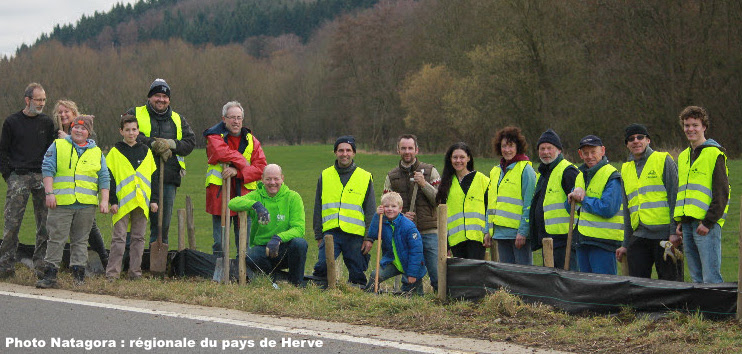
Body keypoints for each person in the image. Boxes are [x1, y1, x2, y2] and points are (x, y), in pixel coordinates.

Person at [36, 115, 109, 288]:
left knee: (81, 241)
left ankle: (78, 276)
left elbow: (104, 177)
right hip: (61, 202)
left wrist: (104, 200)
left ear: (89, 133)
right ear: (71, 129)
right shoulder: (58, 145)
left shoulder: (97, 152)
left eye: (83, 128)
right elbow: (47, 169)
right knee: (56, 239)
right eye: (76, 127)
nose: (79, 130)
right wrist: (49, 193)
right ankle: (50, 274)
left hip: (86, 204)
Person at [126, 78, 196, 245]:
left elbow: (190, 142)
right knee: (134, 222)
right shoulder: (135, 113)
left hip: (168, 178)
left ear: (169, 100)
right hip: (138, 177)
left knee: (162, 225)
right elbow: (129, 134)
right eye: (157, 95)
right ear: (150, 97)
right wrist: (153, 144)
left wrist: (171, 144)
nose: (161, 99)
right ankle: (130, 260)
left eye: (165, 96)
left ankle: (155, 261)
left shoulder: (178, 119)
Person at [0, 83, 56, 278]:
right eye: (38, 100)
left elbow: (52, 152)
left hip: (42, 176)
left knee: (45, 224)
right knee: (12, 224)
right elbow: (3, 152)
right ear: (27, 100)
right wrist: (9, 175)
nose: (41, 103)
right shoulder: (11, 122)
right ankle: (5, 266)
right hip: (18, 176)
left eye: (43, 100)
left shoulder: (47, 123)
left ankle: (41, 265)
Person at [616, 124, 683, 281]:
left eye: (640, 137)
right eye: (631, 139)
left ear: (648, 140)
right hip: (639, 236)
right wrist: (626, 243)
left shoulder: (663, 160)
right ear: (627, 144)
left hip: (665, 236)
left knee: (670, 285)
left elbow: (675, 197)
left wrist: (674, 232)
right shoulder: (625, 169)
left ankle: (673, 308)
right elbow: (627, 209)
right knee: (638, 287)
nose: (636, 141)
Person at [674, 106, 729, 283]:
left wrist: (709, 221)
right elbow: (684, 192)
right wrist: (681, 221)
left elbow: (722, 192)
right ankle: (700, 311)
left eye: (695, 125)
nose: (690, 129)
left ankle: (715, 311)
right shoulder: (683, 156)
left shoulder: (715, 153)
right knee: (696, 277)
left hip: (706, 225)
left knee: (710, 277)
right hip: (688, 224)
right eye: (687, 125)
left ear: (704, 127)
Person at [204, 101, 267, 257]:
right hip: (220, 195)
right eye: (232, 117)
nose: (236, 121)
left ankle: (243, 271)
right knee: (220, 241)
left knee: (244, 240)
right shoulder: (214, 136)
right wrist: (243, 162)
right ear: (224, 119)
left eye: (239, 117)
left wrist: (237, 172)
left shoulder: (252, 141)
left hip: (245, 196)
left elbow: (261, 168)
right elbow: (220, 152)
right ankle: (220, 272)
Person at [228, 164, 308, 286]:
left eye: (276, 179)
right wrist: (255, 205)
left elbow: (299, 229)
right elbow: (232, 203)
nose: (272, 183)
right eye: (268, 179)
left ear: (282, 178)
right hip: (263, 249)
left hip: (284, 248)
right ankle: (273, 281)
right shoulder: (257, 195)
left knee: (300, 244)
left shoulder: (293, 197)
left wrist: (278, 238)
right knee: (250, 256)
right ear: (262, 179)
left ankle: (296, 284)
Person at [312, 136, 376, 286]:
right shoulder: (325, 175)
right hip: (331, 233)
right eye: (341, 150)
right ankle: (321, 291)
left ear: (354, 153)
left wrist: (369, 238)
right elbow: (317, 207)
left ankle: (357, 295)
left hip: (354, 235)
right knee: (322, 266)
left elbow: (370, 210)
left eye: (348, 150)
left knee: (357, 272)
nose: (344, 154)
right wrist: (318, 234)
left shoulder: (365, 177)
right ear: (335, 152)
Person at [52, 100, 109, 268]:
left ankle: (104, 259)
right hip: (61, 191)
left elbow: (92, 152)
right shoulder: (55, 132)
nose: (63, 115)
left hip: (83, 192)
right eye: (60, 112)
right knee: (57, 229)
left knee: (89, 229)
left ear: (74, 114)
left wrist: (68, 138)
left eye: (66, 112)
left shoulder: (84, 130)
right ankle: (57, 263)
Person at [382, 134, 440, 292]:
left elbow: (439, 201)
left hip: (429, 232)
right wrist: (401, 217)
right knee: (411, 276)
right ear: (398, 150)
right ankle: (415, 304)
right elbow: (386, 208)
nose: (407, 151)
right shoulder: (392, 176)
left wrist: (424, 184)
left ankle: (443, 303)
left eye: (410, 148)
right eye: (403, 148)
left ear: (416, 150)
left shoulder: (430, 171)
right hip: (404, 234)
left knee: (437, 274)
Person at [105, 114, 158, 280]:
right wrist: (112, 201)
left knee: (139, 238)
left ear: (138, 131)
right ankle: (112, 273)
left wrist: (154, 200)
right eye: (127, 130)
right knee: (119, 239)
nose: (131, 133)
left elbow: (153, 177)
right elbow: (110, 178)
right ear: (121, 131)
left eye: (134, 129)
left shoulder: (146, 151)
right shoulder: (115, 152)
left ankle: (135, 273)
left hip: (142, 202)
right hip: (121, 203)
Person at [568, 135, 623, 275]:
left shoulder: (612, 176)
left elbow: (608, 208)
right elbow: (570, 209)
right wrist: (571, 198)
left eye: (593, 152)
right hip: (583, 241)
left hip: (604, 243)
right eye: (585, 153)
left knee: (605, 289)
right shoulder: (580, 175)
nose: (589, 156)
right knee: (587, 288)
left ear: (602, 151)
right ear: (580, 154)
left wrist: (582, 199)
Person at [528, 129, 579, 270]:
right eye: (542, 149)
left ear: (559, 150)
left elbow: (579, 205)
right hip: (548, 240)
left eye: (549, 148)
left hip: (565, 240)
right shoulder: (543, 173)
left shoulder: (568, 171)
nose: (545, 152)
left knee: (567, 282)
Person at [487, 127, 536, 265]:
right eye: (504, 146)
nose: (507, 150)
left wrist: (523, 232)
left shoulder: (526, 170)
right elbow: (491, 204)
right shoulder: (495, 171)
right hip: (500, 234)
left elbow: (529, 204)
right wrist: (488, 230)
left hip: (518, 235)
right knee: (507, 277)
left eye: (511, 146)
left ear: (518, 147)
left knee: (523, 276)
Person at [435, 142, 490, 260]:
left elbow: (490, 208)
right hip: (456, 240)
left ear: (469, 158)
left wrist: (488, 232)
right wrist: (446, 243)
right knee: (462, 277)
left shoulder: (482, 180)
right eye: (455, 157)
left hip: (477, 238)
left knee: (476, 275)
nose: (458, 161)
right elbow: (443, 216)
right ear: (450, 159)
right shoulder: (446, 184)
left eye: (462, 157)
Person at [365, 192, 426, 295]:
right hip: (392, 262)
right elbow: (373, 234)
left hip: (410, 264)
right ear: (382, 208)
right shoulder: (382, 221)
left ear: (400, 209)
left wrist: (412, 273)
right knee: (375, 275)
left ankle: (415, 294)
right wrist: (376, 216)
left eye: (393, 206)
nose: (390, 209)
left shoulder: (408, 226)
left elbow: (416, 251)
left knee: (415, 294)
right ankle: (370, 295)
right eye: (386, 206)